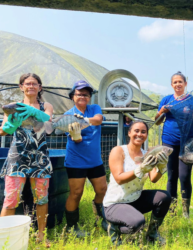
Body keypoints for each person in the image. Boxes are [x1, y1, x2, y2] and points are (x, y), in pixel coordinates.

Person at [0, 73, 53, 246]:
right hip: (18, 156)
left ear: (39, 87)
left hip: (40, 157)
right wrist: (10, 125)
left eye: (34, 83)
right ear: (21, 86)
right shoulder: (13, 107)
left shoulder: (47, 106)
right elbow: (3, 131)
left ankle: (41, 236)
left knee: (42, 198)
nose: (31, 86)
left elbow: (48, 123)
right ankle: (3, 238)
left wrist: (32, 111)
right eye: (27, 83)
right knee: (11, 199)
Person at [103, 120, 170, 245]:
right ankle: (114, 228)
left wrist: (162, 167)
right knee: (138, 223)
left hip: (135, 199)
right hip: (115, 203)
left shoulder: (147, 154)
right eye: (136, 131)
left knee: (164, 196)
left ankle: (152, 234)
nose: (140, 134)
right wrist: (140, 169)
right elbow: (119, 178)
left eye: (143, 132)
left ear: (146, 135)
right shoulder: (118, 151)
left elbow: (153, 179)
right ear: (129, 133)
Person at [154, 71, 193, 219]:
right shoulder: (167, 100)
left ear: (185, 83)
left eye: (180, 82)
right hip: (169, 142)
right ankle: (172, 211)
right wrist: (163, 110)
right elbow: (157, 121)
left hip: (188, 143)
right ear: (171, 85)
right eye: (175, 82)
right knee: (171, 176)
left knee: (184, 176)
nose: (178, 84)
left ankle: (186, 212)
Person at [64, 80, 107, 237]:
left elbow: (98, 119)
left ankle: (101, 217)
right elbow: (77, 140)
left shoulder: (94, 108)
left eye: (86, 94)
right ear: (73, 96)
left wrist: (83, 121)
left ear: (90, 97)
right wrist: (76, 134)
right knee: (76, 192)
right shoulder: (68, 115)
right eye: (79, 93)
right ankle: (72, 227)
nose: (83, 96)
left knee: (102, 189)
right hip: (76, 160)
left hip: (95, 160)